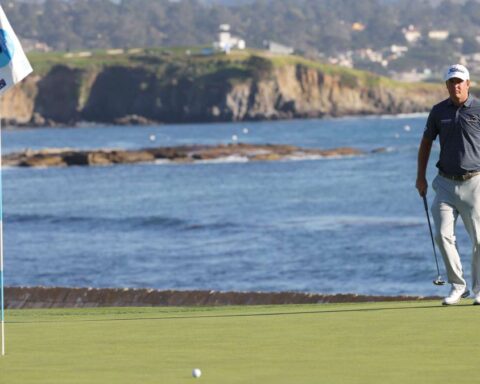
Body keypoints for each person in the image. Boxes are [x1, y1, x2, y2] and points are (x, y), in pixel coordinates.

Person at [416, 63, 480, 305]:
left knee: (479, 240)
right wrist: (420, 177)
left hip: (475, 182)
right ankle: (457, 286)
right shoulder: (438, 111)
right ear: (446, 85)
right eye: (452, 82)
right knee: (443, 236)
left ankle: (478, 289)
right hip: (444, 183)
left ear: (468, 83)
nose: (456, 86)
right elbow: (425, 144)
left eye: (459, 81)